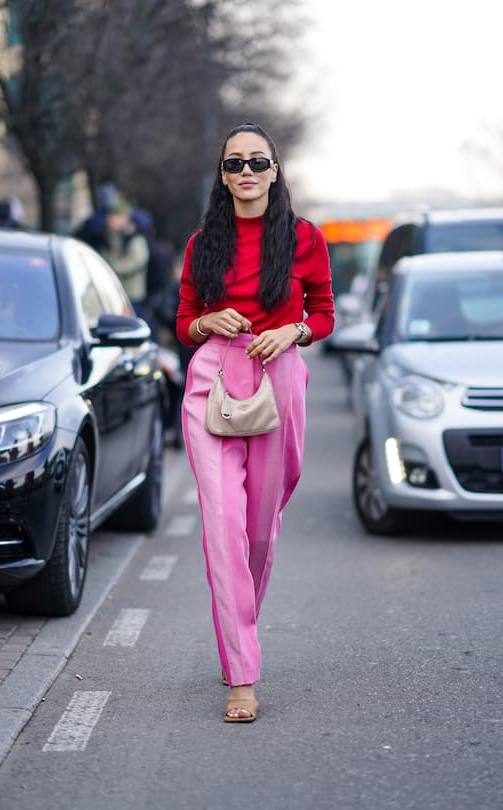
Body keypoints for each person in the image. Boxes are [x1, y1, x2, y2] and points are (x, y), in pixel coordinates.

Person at [176, 122, 335, 722]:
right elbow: (184, 320)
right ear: (222, 175)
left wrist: (290, 331)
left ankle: (237, 632)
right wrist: (204, 326)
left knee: (260, 532)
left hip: (279, 376)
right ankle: (242, 672)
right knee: (222, 526)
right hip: (213, 381)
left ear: (275, 171)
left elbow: (323, 314)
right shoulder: (202, 243)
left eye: (258, 163)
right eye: (235, 163)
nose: (247, 171)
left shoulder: (303, 238)